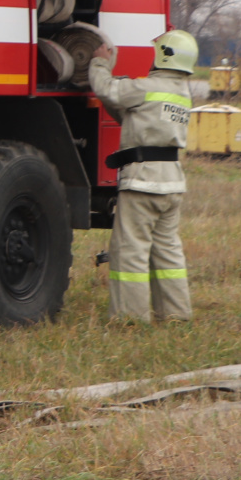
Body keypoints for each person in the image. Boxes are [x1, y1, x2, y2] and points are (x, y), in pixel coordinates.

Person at [89, 28, 200, 322]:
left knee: (130, 251)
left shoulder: (145, 88)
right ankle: (176, 315)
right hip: (172, 184)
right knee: (168, 253)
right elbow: (136, 117)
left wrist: (100, 63)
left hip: (142, 183)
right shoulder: (182, 94)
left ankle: (129, 318)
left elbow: (106, 89)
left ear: (165, 56)